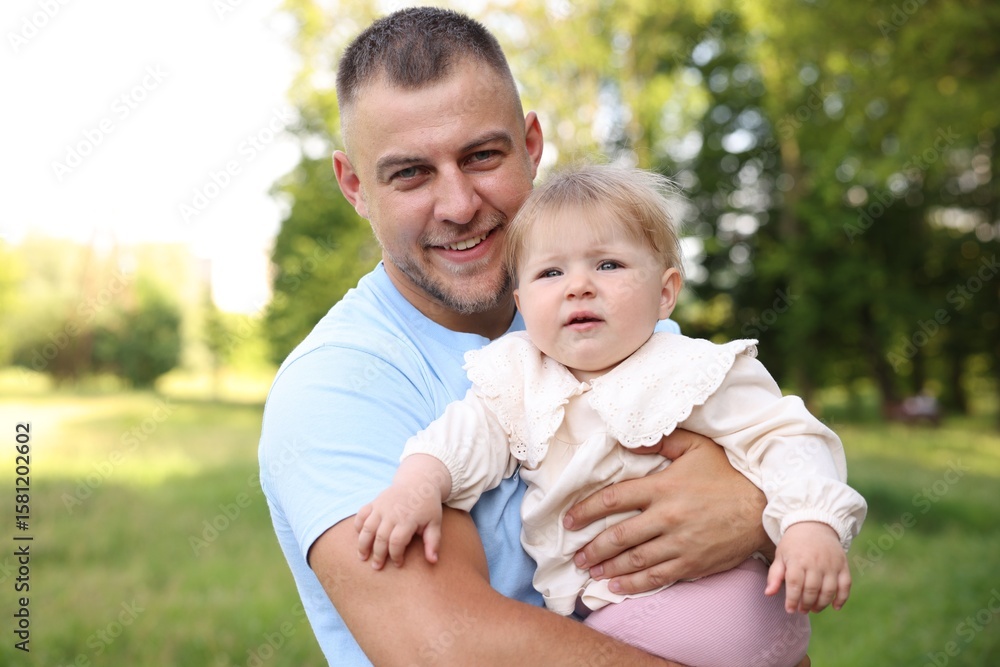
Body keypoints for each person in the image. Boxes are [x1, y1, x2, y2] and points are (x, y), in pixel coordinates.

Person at [259, 7, 809, 666]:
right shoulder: (338, 387)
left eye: (482, 155)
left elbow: (773, 466)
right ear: (355, 185)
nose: (459, 203)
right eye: (411, 173)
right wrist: (749, 509)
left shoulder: (600, 312)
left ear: (531, 145)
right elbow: (450, 646)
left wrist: (756, 507)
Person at [355, 164, 868, 666]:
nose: (578, 286)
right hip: (620, 615)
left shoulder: (693, 368)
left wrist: (810, 522)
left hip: (724, 593)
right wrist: (417, 484)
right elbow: (463, 437)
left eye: (608, 265)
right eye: (551, 272)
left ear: (665, 292)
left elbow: (784, 436)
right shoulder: (516, 376)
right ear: (522, 301)